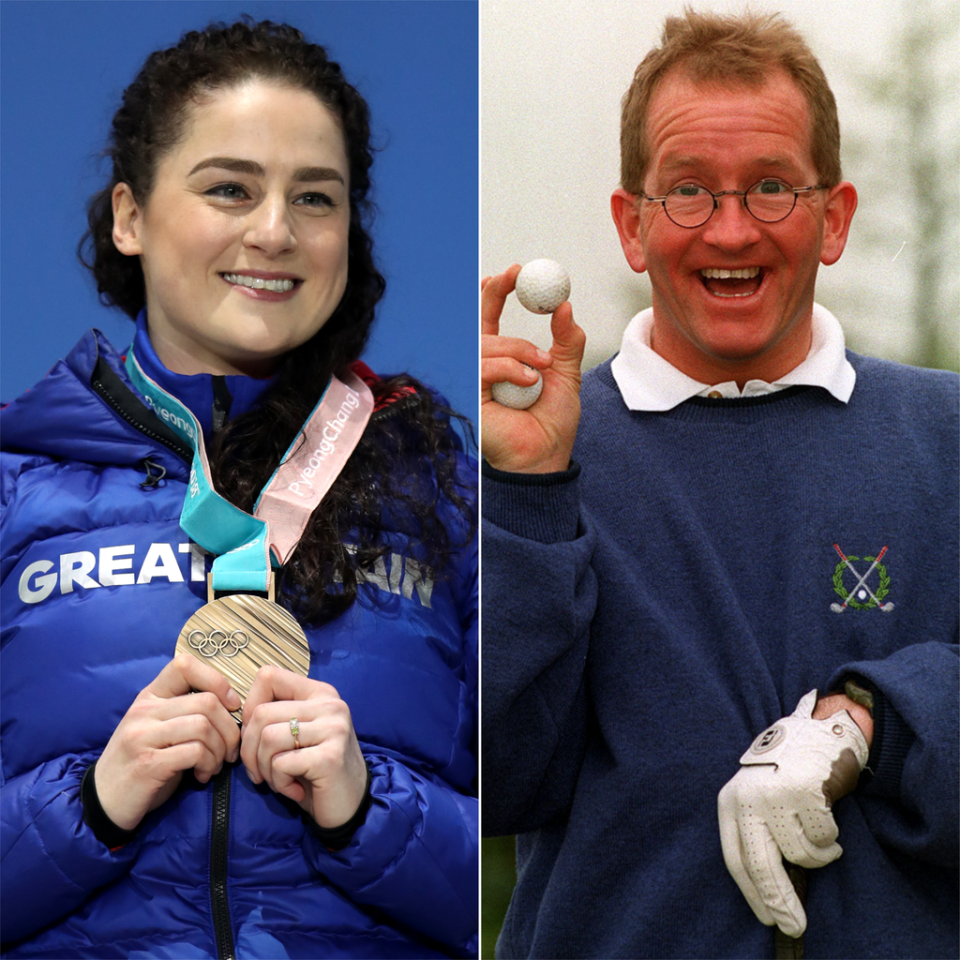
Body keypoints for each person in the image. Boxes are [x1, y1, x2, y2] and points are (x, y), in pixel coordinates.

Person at [481, 9, 957, 959]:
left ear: (835, 219)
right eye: (689, 191)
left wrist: (875, 720)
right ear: (632, 223)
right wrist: (527, 499)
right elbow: (498, 780)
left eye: (772, 187)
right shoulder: (535, 454)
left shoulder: (944, 435)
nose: (730, 230)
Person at [1, 18, 477, 959]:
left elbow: (546, 859)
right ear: (130, 218)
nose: (274, 232)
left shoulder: (440, 487)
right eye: (230, 188)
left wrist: (369, 809)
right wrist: (90, 804)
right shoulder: (14, 486)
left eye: (315, 198)